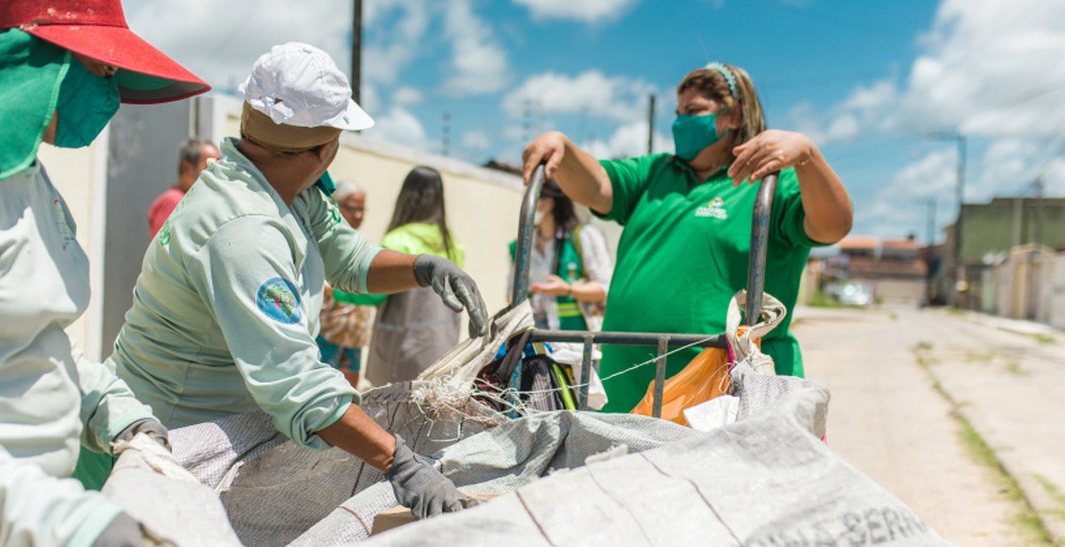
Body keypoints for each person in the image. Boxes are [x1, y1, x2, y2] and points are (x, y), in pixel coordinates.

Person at [107, 43, 488, 522]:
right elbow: (297, 384)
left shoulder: (286, 190)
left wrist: (423, 268)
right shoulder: (242, 230)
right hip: (171, 444)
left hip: (226, 427)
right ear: (326, 148)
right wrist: (403, 464)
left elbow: (350, 259)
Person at [0, 0, 210, 547]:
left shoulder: (32, 180)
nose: (112, 93)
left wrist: (111, 408)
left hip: (23, 542)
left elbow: (35, 345)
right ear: (31, 59)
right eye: (97, 70)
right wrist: (58, 523)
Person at [521, 61, 852, 412]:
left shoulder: (770, 183)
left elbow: (833, 226)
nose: (680, 122)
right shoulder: (656, 174)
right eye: (678, 112)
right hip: (629, 387)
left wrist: (808, 157)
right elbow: (598, 185)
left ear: (734, 116)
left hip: (723, 395)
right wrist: (563, 148)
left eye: (693, 112)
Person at [365, 166, 467, 385]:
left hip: (399, 354)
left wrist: (337, 292)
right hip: (441, 351)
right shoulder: (453, 247)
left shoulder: (397, 240)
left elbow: (374, 293)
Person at [508, 178, 612, 331]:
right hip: (535, 342)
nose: (529, 205)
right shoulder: (521, 245)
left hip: (576, 344)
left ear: (549, 202)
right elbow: (511, 294)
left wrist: (569, 290)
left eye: (535, 197)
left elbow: (605, 288)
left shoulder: (584, 237)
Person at [316, 179, 379, 387]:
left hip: (354, 338)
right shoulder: (323, 240)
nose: (358, 215)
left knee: (349, 393)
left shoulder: (363, 243)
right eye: (352, 209)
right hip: (326, 334)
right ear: (336, 205)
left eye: (362, 210)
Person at [147, 138, 220, 240]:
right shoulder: (173, 202)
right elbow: (163, 249)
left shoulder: (196, 200)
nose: (215, 172)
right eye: (208, 165)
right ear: (186, 167)